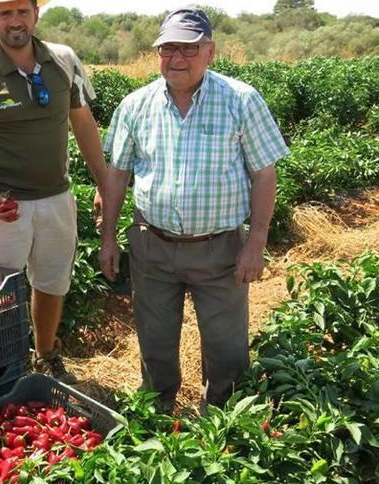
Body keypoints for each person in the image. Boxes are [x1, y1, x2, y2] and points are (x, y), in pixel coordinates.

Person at [99, 7, 290, 410]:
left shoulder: (241, 100)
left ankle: (221, 421)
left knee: (226, 348)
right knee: (154, 339)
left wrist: (255, 244)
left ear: (210, 52)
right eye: (168, 48)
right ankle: (157, 409)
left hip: (219, 249)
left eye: (188, 48)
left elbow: (264, 175)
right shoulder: (136, 105)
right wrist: (108, 239)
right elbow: (115, 177)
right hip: (153, 245)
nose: (177, 58)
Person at [0, 0, 107, 384]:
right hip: (5, 206)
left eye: (22, 11)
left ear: (35, 14)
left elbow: (83, 123)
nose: (15, 21)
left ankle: (45, 353)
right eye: (5, 13)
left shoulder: (64, 61)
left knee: (51, 283)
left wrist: (103, 179)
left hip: (56, 198)